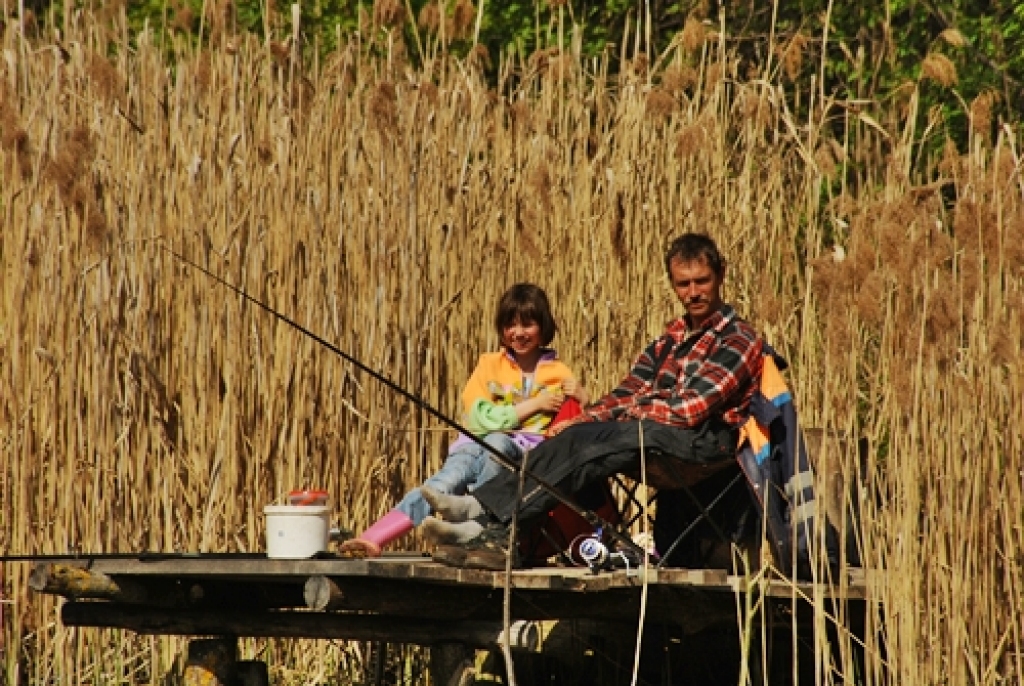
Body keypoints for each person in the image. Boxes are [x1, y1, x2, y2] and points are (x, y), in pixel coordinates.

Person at [422, 233, 764, 570]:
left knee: (599, 443)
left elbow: (689, 409)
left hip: (706, 443)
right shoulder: (667, 341)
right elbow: (626, 391)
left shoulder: (738, 338)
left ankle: (485, 514)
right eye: (683, 284)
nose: (692, 293)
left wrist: (624, 415)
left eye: (701, 282)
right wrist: (581, 421)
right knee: (574, 436)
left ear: (721, 274)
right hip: (655, 431)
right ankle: (498, 531)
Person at [339, 283, 588, 558]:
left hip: (520, 456)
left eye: (527, 324)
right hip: (472, 445)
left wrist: (584, 398)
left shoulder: (559, 372)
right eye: (510, 325)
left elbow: (574, 424)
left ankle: (473, 528)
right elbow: (478, 418)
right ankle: (373, 538)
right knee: (440, 484)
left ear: (543, 325)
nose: (518, 333)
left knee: (497, 442)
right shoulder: (489, 365)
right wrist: (533, 406)